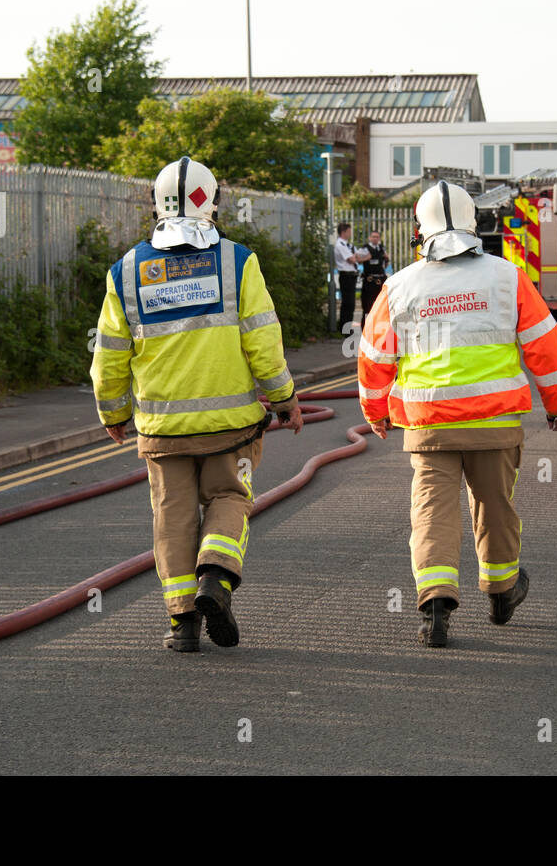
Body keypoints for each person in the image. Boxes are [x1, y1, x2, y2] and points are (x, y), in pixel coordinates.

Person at [91, 156, 303, 654]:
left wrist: (113, 413)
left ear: (156, 203)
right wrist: (284, 399)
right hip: (232, 427)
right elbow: (262, 341)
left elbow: (109, 354)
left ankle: (183, 623)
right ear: (212, 202)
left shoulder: (125, 271)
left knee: (173, 518)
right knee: (230, 499)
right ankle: (215, 576)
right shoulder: (236, 261)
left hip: (162, 431)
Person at [357, 181, 557, 648]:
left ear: (420, 230)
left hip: (428, 425)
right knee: (494, 506)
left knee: (431, 512)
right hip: (494, 425)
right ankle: (501, 592)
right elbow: (544, 345)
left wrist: (375, 411)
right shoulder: (506, 277)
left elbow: (374, 356)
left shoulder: (399, 285)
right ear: (474, 223)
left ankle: (435, 603)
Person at [359, 228, 390, 331]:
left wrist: (386, 259)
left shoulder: (381, 248)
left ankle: (380, 328)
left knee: (381, 305)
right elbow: (357, 260)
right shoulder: (365, 248)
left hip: (380, 280)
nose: (375, 239)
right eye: (373, 237)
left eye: (377, 237)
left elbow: (385, 263)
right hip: (370, 281)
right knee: (367, 306)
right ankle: (365, 329)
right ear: (369, 238)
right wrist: (365, 258)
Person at [334, 222, 360, 335]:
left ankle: (347, 328)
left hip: (351, 276)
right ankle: (345, 329)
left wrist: (357, 257)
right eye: (349, 231)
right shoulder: (340, 245)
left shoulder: (348, 245)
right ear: (343, 232)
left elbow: (358, 255)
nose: (350, 233)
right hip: (346, 276)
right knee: (348, 303)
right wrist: (356, 257)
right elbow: (352, 259)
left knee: (350, 303)